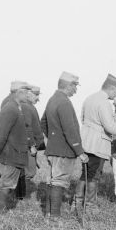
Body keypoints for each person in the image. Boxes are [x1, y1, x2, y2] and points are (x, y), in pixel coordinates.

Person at [78, 74, 116, 209]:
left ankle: (77, 203)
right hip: (98, 145)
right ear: (112, 88)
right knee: (94, 176)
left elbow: (82, 119)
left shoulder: (90, 98)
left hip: (86, 142)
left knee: (85, 174)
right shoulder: (104, 103)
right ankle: (90, 206)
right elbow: (109, 126)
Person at [41, 72, 89, 217]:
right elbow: (70, 130)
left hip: (53, 149)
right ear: (69, 85)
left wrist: (53, 139)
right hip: (64, 151)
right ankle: (55, 218)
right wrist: (80, 152)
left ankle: (49, 214)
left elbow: (43, 123)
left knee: (52, 181)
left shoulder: (52, 99)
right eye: (75, 86)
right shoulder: (64, 102)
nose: (76, 90)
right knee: (59, 182)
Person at [0, 81, 31, 212]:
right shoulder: (10, 109)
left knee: (9, 183)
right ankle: (1, 212)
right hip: (10, 154)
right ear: (19, 92)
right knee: (7, 184)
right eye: (26, 92)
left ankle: (3, 209)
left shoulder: (16, 107)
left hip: (14, 153)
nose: (28, 95)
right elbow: (1, 135)